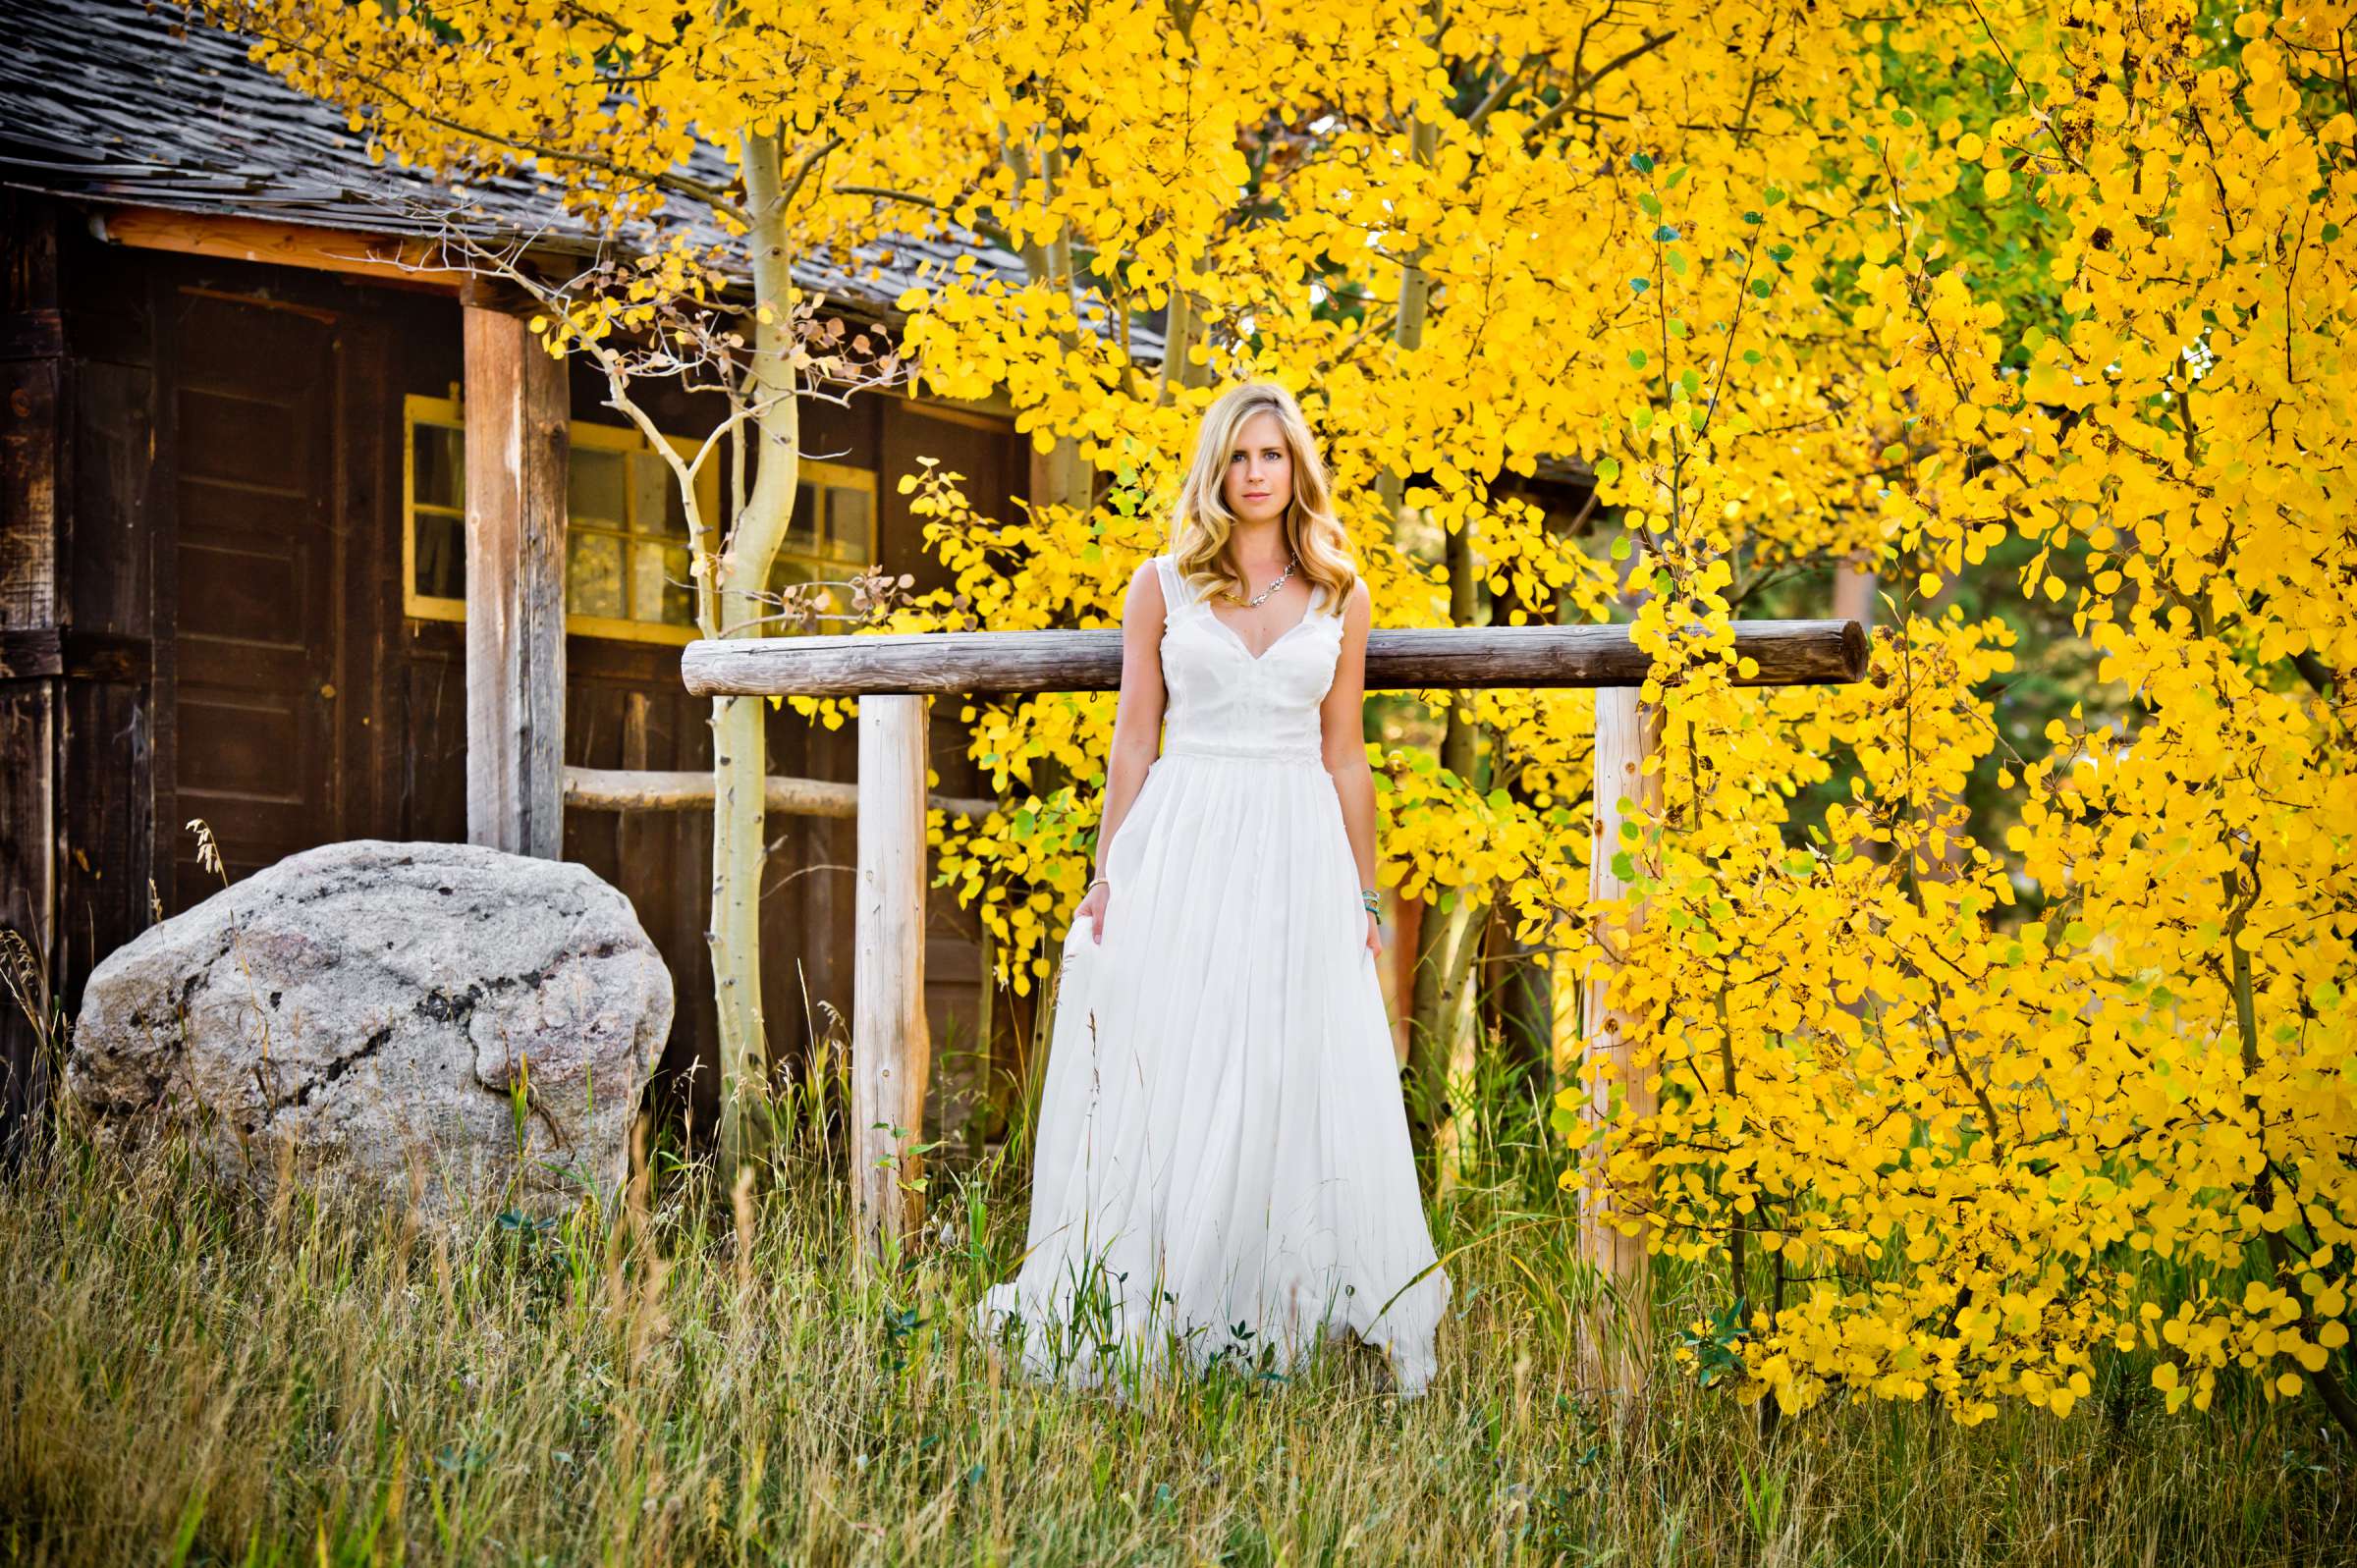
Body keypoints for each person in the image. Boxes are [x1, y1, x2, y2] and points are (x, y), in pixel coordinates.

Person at [974, 379, 1451, 1398]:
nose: (1254, 474)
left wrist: (1366, 898)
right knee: (1176, 1053)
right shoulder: (1162, 583)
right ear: (1216, 468)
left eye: (1272, 456)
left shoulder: (1341, 592)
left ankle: (1278, 1303)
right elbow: (1134, 734)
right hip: (1184, 836)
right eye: (1238, 456)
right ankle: (1160, 1297)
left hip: (1293, 840)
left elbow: (1348, 755)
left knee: (1282, 1060)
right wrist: (1109, 872)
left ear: (1297, 469)